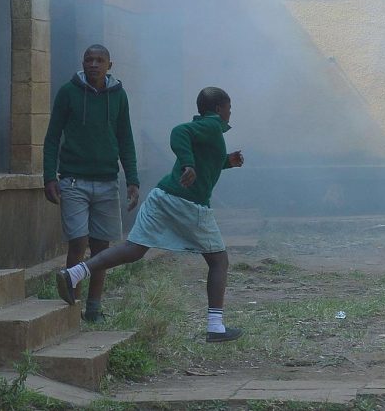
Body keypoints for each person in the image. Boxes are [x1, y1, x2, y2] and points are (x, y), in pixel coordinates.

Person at [56, 86, 245, 343]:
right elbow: (180, 133)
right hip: (187, 203)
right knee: (219, 261)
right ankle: (216, 326)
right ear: (219, 109)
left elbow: (204, 159)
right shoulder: (212, 125)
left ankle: (75, 273)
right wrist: (188, 163)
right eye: (229, 108)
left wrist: (226, 161)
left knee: (134, 250)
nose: (230, 113)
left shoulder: (207, 129)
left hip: (162, 196)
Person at [44, 44, 139, 323]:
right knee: (78, 242)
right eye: (89, 59)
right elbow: (52, 137)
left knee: (101, 250)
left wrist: (131, 179)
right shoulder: (68, 92)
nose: (93, 64)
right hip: (73, 180)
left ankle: (94, 309)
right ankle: (71, 308)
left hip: (108, 181)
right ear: (82, 63)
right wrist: (49, 176)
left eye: (99, 60)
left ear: (110, 65)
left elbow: (126, 139)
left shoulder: (119, 96)